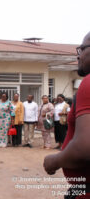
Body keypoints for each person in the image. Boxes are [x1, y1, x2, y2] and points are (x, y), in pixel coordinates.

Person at [44, 32, 90, 198]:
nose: (78, 57)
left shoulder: (89, 82)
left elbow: (85, 148)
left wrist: (54, 161)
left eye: (81, 50)